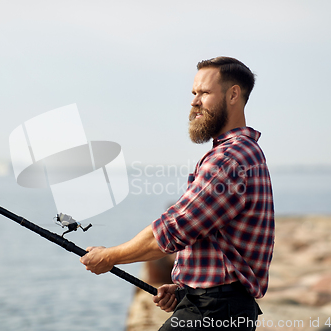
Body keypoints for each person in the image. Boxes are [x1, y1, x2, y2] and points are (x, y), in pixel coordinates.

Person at [80, 57, 274, 330]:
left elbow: (174, 229)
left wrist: (110, 257)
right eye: (194, 93)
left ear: (233, 94)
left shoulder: (229, 159)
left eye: (204, 93)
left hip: (214, 312)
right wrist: (186, 288)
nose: (194, 101)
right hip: (220, 306)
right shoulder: (244, 153)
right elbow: (216, 240)